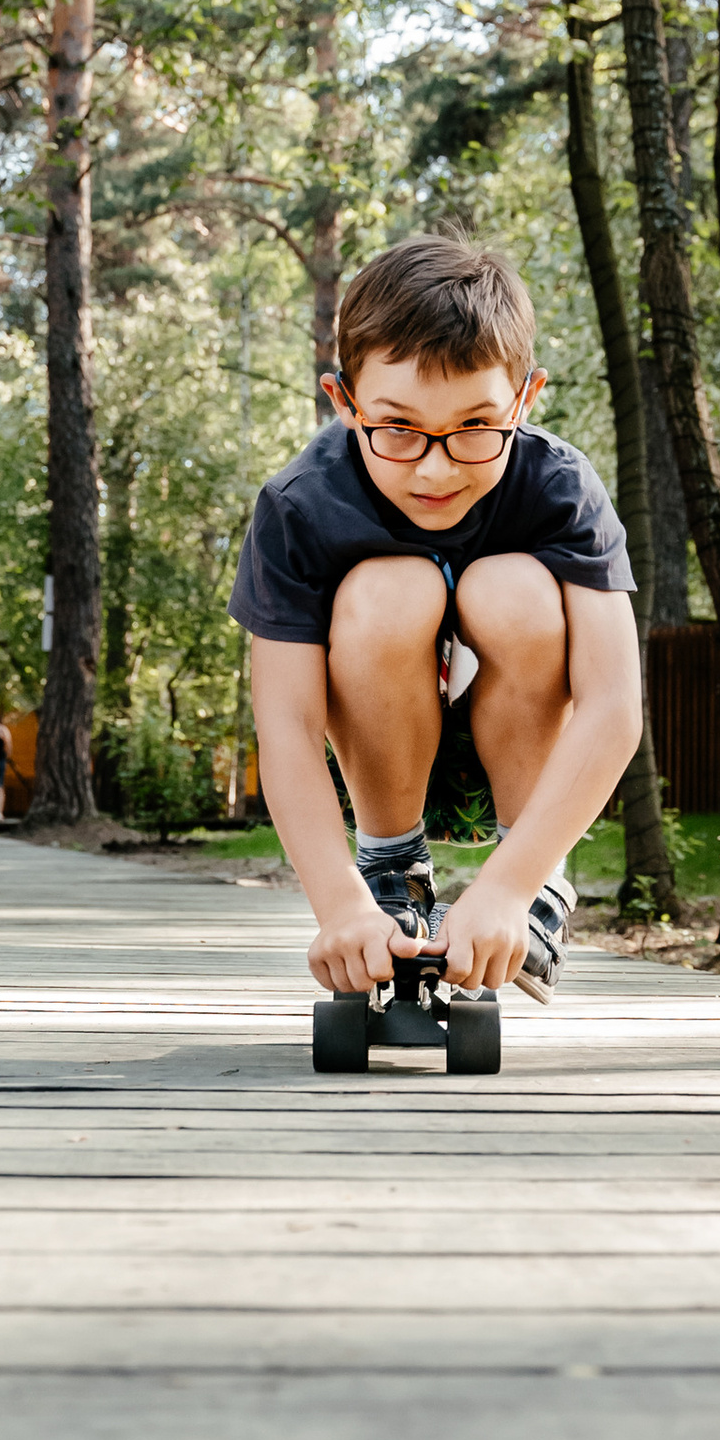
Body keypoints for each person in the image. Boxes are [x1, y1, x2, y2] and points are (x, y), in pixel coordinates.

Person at [232, 233, 643, 1001]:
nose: (435, 466)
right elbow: (284, 723)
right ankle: (391, 872)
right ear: (344, 402)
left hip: (529, 764)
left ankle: (542, 886)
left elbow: (616, 707)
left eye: (475, 428)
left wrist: (510, 889)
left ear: (526, 398)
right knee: (388, 589)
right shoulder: (300, 508)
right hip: (381, 752)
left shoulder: (561, 489)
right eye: (399, 428)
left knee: (512, 588)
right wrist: (340, 907)